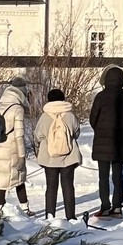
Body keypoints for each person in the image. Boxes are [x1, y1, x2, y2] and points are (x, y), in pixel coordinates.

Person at [88, 66, 123, 218]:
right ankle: (118, 207)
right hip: (121, 142)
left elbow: (93, 119)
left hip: (102, 142)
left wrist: (100, 130)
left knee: (103, 177)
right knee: (118, 176)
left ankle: (105, 207)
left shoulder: (101, 96)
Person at [0, 76, 31, 213]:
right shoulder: (17, 109)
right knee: (19, 179)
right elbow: (19, 136)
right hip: (11, 150)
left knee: (0, 181)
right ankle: (25, 208)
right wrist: (22, 156)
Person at [34, 87, 81, 221]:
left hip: (49, 158)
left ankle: (50, 216)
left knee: (51, 187)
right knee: (68, 187)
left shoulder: (44, 116)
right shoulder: (70, 115)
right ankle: (71, 217)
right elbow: (76, 133)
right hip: (69, 157)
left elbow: (38, 135)